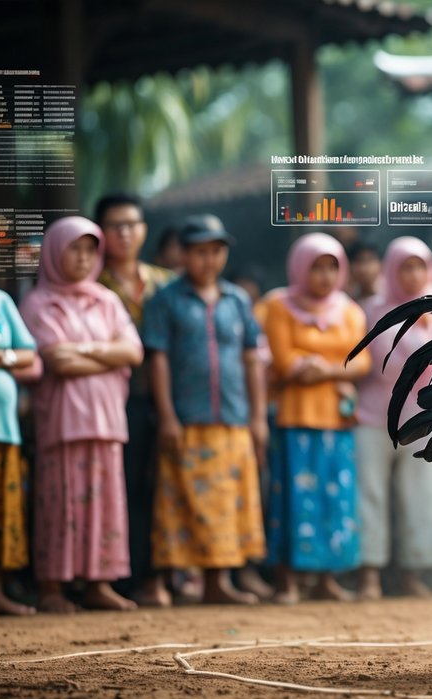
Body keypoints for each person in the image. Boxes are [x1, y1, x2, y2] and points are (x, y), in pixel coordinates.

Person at [21, 216, 144, 613]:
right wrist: (105, 353)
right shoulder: (39, 302)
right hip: (61, 419)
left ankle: (99, 582)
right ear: (55, 251)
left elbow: (133, 352)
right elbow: (57, 361)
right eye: (74, 247)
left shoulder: (105, 299)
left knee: (105, 501)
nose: (82, 256)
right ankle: (52, 587)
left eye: (90, 249)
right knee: (59, 500)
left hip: (106, 418)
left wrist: (83, 350)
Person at [142, 215, 266, 605]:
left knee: (228, 502)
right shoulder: (165, 299)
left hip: (232, 418)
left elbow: (252, 359)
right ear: (183, 254)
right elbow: (157, 359)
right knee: (178, 501)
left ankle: (218, 582)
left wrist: (258, 417)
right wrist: (166, 416)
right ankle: (164, 582)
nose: (209, 260)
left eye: (216, 251)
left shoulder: (237, 300)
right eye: (199, 252)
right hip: (187, 417)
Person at [263, 233, 371, 604]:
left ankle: (327, 578)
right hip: (295, 419)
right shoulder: (279, 306)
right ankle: (287, 579)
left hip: (337, 422)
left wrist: (321, 368)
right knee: (292, 499)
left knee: (335, 500)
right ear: (298, 268)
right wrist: (337, 368)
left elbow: (365, 361)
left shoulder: (351, 311)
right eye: (316, 267)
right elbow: (284, 360)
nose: (325, 276)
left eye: (331, 267)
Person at [354, 237, 432, 600]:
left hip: (424, 421)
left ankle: (412, 575)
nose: (412, 275)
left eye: (419, 267)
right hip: (372, 418)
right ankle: (369, 575)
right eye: (404, 267)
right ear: (390, 270)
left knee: (421, 497)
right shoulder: (370, 311)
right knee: (371, 494)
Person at [94, 192, 175, 606]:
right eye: (115, 225)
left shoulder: (166, 282)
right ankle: (117, 578)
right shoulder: (89, 283)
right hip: (109, 404)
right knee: (117, 487)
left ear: (144, 230)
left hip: (162, 402)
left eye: (132, 224)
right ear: (101, 232)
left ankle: (154, 578)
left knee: (159, 488)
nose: (124, 233)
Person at [0, 287, 38, 615]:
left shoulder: (1, 300)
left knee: (0, 511)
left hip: (2, 429)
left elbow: (28, 355)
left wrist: (0, 356)